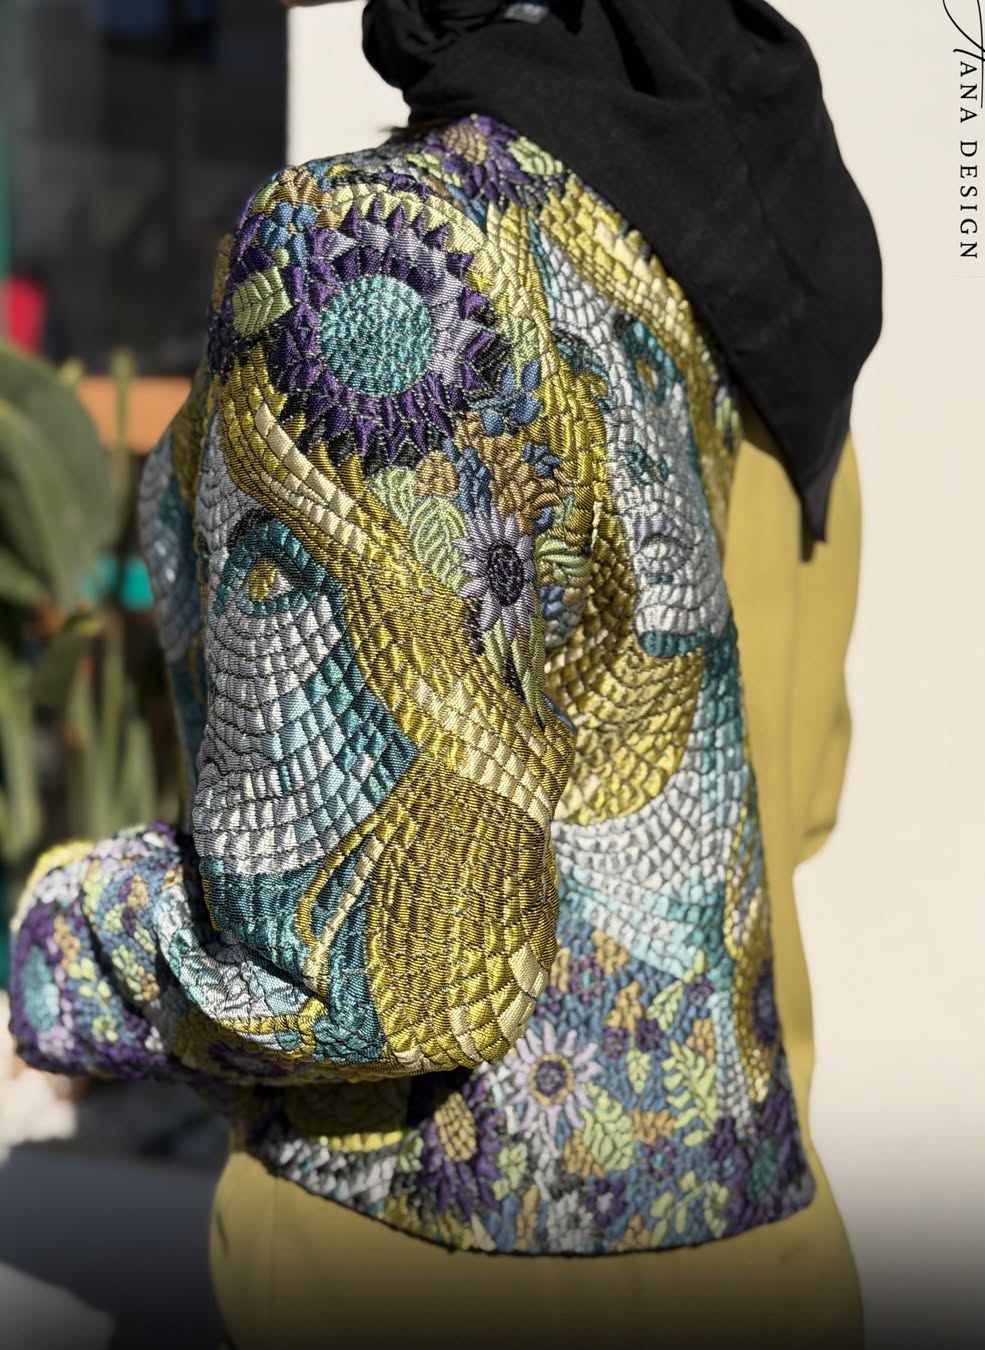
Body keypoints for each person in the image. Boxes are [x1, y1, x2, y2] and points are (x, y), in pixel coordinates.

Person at [8, 2, 881, 1345]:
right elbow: (803, 802)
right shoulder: (756, 283)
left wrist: (63, 942)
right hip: (771, 1264)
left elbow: (360, 971)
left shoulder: (384, 257)